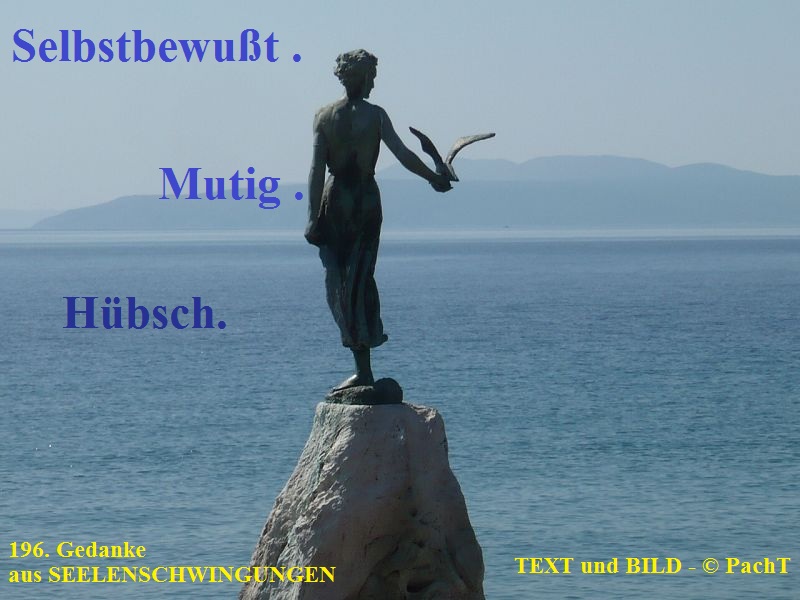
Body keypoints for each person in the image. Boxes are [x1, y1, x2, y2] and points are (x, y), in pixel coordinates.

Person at [305, 49, 452, 392]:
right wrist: (432, 177)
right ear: (361, 77)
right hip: (364, 201)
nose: (373, 84)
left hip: (337, 200)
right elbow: (403, 154)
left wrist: (312, 217)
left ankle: (363, 369)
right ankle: (363, 369)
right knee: (358, 280)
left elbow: (316, 171)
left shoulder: (324, 116)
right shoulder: (375, 116)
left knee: (343, 282)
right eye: (371, 77)